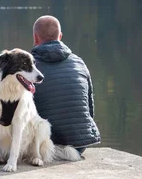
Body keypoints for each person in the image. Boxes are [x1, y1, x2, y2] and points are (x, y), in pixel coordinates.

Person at [31, 15, 101, 154]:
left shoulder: (29, 67)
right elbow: (89, 105)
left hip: (44, 146)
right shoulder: (79, 62)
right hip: (79, 145)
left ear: (35, 38)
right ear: (60, 36)